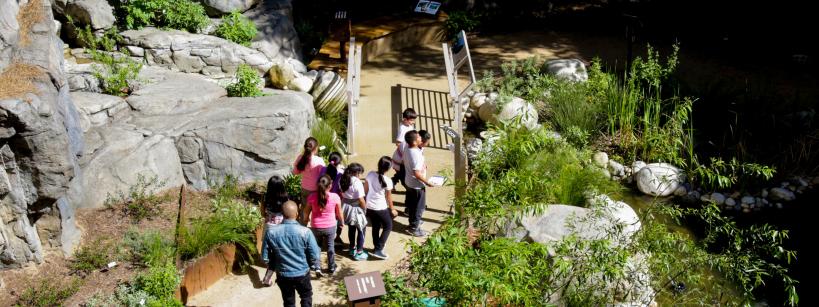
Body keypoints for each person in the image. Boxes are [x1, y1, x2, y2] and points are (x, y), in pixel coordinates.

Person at [263, 201, 320, 307]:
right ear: (297, 214)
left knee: (288, 301)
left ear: (282, 215)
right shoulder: (306, 232)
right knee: (306, 297)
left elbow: (265, 257)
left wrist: (276, 262)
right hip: (302, 273)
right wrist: (311, 265)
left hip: (283, 275)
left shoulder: (270, 232)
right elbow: (315, 256)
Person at [302, 175, 344, 276]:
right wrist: (341, 222)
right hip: (330, 226)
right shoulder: (335, 197)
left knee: (316, 247)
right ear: (330, 185)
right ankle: (331, 266)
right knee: (330, 246)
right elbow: (339, 213)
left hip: (316, 226)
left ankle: (317, 267)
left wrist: (305, 220)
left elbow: (306, 212)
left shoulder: (312, 197)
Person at [365, 156, 398, 259]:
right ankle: (379, 249)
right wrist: (392, 209)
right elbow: (388, 197)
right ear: (388, 168)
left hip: (369, 206)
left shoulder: (370, 174)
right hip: (380, 208)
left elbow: (365, 189)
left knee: (376, 226)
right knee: (388, 226)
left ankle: (376, 245)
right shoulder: (388, 180)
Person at [403, 130, 434, 237]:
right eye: (418, 137)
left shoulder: (407, 148)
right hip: (417, 185)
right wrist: (427, 182)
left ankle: (412, 222)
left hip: (409, 182)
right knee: (419, 207)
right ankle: (414, 228)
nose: (420, 138)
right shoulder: (416, 154)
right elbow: (416, 173)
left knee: (412, 205)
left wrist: (423, 166)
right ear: (415, 142)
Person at [261, 175, 289, 286]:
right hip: (281, 225)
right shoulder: (286, 197)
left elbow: (262, 212)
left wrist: (268, 216)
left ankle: (266, 259)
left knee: (270, 248)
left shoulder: (265, 196)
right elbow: (287, 212)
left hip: (269, 225)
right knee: (281, 249)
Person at [293, 137, 325, 223]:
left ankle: (302, 227)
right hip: (316, 190)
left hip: (304, 189)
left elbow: (295, 172)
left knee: (304, 209)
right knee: (316, 211)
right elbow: (323, 177)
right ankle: (315, 229)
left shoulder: (300, 158)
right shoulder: (319, 160)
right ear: (315, 148)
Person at [340, 163, 368, 260]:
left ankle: (352, 248)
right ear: (356, 173)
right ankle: (359, 252)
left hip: (346, 206)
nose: (360, 175)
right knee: (361, 228)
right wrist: (364, 209)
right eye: (360, 173)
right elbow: (361, 199)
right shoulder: (357, 182)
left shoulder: (343, 179)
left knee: (351, 228)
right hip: (356, 208)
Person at [391, 108, 417, 189]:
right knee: (403, 174)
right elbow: (398, 143)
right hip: (401, 158)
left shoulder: (408, 125)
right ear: (405, 119)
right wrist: (404, 154)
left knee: (401, 173)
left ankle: (392, 182)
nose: (413, 122)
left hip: (404, 155)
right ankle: (407, 188)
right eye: (411, 120)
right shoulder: (403, 129)